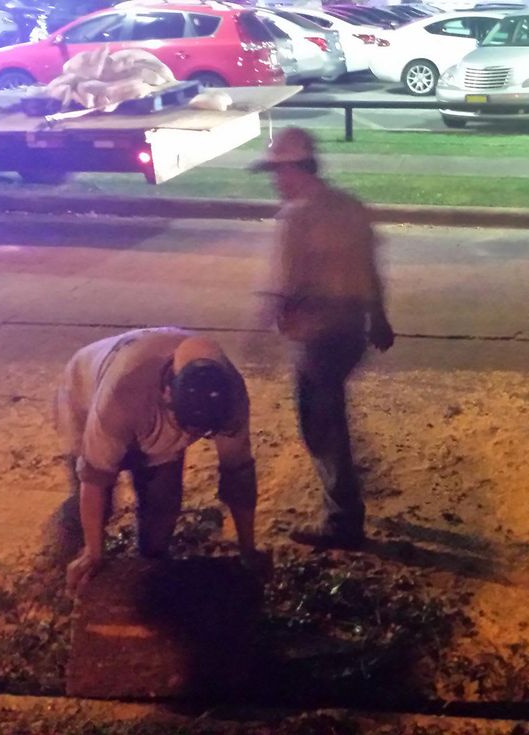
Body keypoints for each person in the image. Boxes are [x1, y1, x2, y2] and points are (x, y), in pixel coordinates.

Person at [251, 126, 394, 551]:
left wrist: (262, 330)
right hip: (351, 330)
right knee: (331, 416)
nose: (276, 181)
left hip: (317, 336)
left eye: (279, 172)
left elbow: (286, 284)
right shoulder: (350, 208)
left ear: (298, 170)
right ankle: (348, 491)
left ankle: (342, 520)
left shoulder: (296, 218)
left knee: (321, 426)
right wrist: (379, 319)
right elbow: (370, 268)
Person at [54, 327, 262, 593]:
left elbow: (238, 474)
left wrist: (248, 550)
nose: (191, 437)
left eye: (202, 433)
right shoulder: (123, 393)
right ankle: (67, 550)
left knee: (162, 505)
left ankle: (147, 573)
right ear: (167, 392)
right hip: (84, 396)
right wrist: (94, 552)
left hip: (150, 415)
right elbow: (95, 477)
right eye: (187, 426)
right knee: (100, 505)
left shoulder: (228, 397)